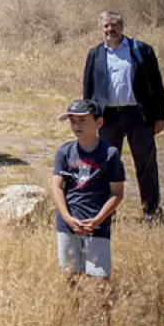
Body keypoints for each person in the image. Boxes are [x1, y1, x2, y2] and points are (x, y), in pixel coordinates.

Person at [83, 10, 164, 221]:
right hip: (108, 117)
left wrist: (159, 116)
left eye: (114, 25)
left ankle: (151, 211)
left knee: (146, 164)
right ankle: (106, 213)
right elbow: (88, 89)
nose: (110, 30)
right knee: (106, 164)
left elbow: (156, 85)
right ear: (101, 28)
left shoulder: (140, 50)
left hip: (138, 115)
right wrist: (89, 118)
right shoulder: (95, 54)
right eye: (106, 26)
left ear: (122, 27)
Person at [52, 100, 125, 279]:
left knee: (99, 279)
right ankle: (73, 308)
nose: (77, 125)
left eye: (83, 120)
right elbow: (57, 187)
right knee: (69, 277)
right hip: (68, 225)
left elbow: (117, 193)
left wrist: (97, 220)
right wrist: (68, 218)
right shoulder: (65, 152)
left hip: (97, 226)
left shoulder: (110, 154)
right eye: (73, 121)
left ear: (98, 123)